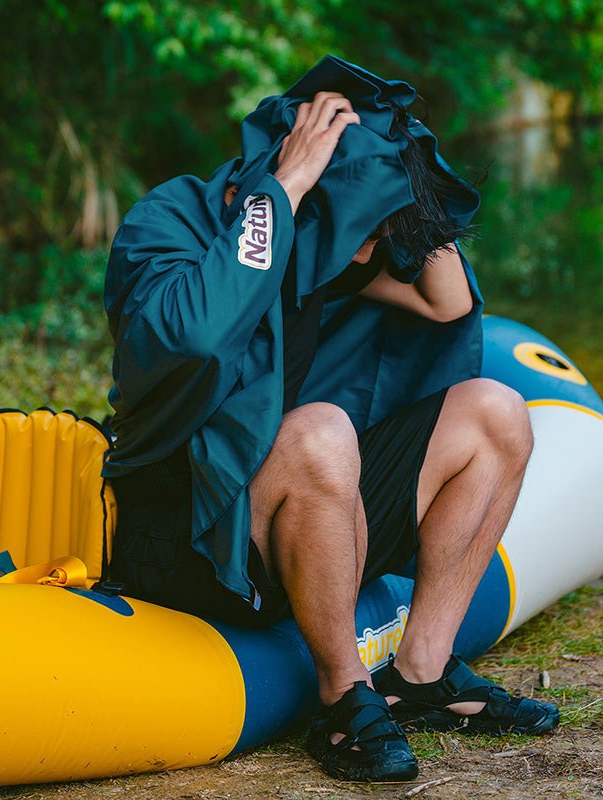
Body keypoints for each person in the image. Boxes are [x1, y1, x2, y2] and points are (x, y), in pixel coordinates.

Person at [102, 55, 559, 783]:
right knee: (321, 430)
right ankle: (345, 699)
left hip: (302, 508)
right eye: (363, 229)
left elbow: (448, 306)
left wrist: (409, 181)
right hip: (187, 532)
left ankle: (422, 675)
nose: (375, 254)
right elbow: (191, 336)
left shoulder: (333, 253)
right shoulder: (170, 220)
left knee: (495, 414)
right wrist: (284, 186)